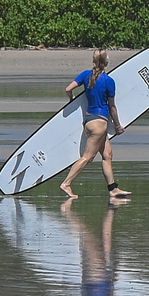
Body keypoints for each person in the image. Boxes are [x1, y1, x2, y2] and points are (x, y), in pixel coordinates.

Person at [59, 49, 130, 200]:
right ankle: (66, 183)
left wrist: (71, 100)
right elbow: (112, 107)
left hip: (89, 120)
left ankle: (113, 189)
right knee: (87, 157)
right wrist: (118, 126)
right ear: (106, 62)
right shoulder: (108, 81)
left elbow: (68, 89)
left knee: (107, 155)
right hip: (99, 124)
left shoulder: (85, 75)